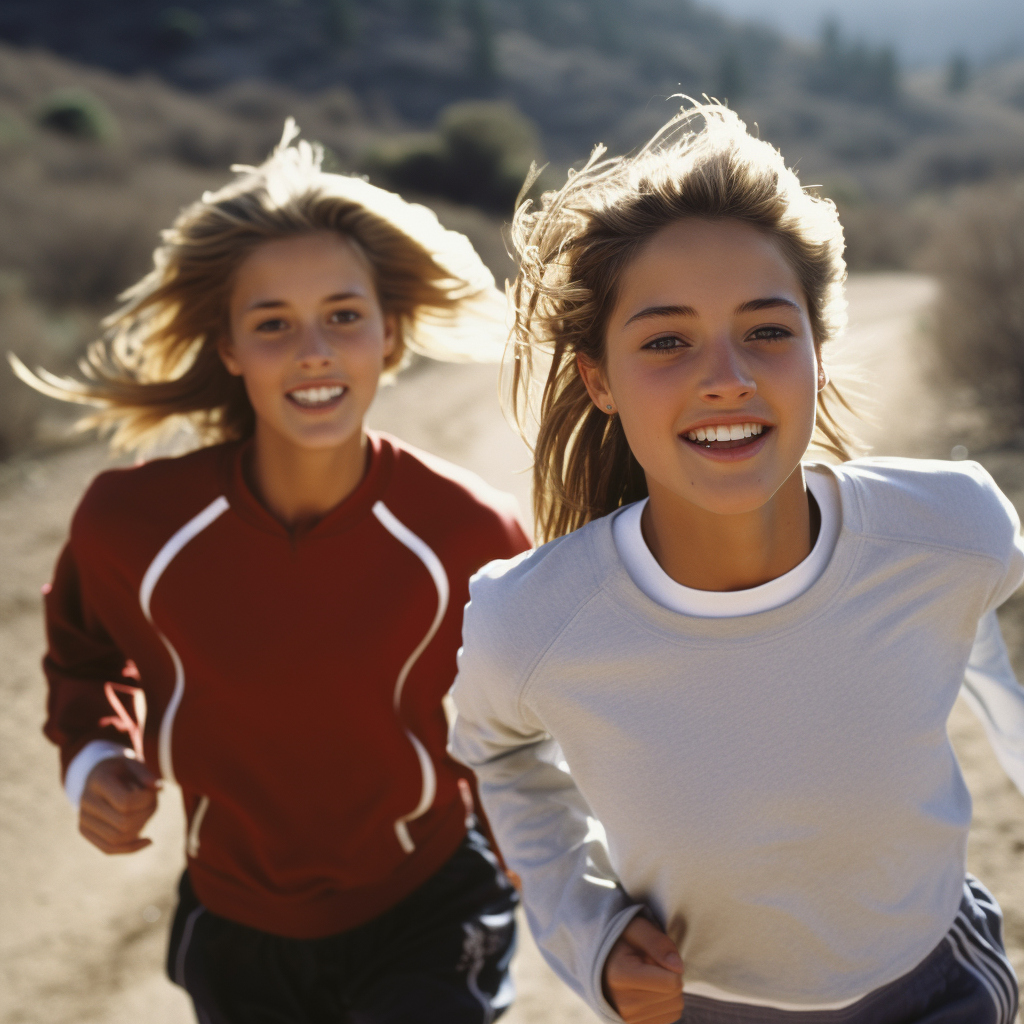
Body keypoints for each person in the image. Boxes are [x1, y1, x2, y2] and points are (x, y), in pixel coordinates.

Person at [449, 102, 1024, 1024]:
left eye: (766, 330)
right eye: (667, 341)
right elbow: (498, 754)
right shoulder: (533, 621)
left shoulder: (953, 529)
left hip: (938, 987)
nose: (728, 377)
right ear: (599, 378)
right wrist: (583, 929)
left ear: (817, 350)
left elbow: (994, 649)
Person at [21, 122, 529, 1024]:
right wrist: (94, 758)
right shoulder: (131, 524)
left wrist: (546, 846)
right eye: (273, 325)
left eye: (343, 316)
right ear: (228, 348)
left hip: (429, 901)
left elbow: (536, 716)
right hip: (236, 924)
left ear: (391, 334)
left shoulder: (469, 530)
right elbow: (84, 662)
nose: (313, 352)